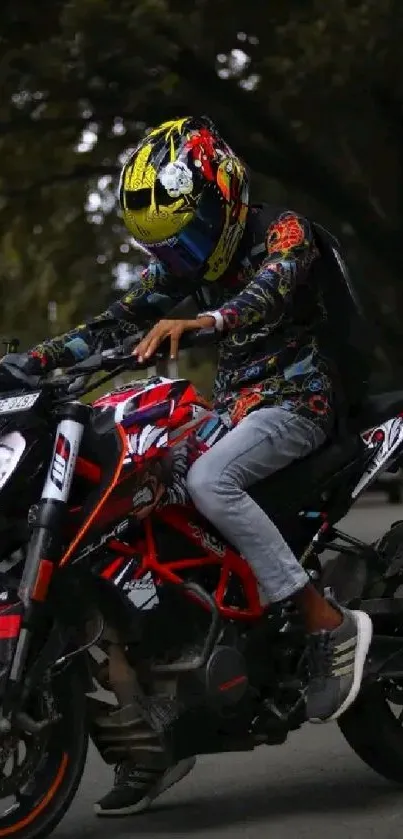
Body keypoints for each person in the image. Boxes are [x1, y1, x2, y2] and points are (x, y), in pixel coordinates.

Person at [0, 116, 373, 816]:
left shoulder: (282, 233)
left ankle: (323, 620)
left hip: (301, 397)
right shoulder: (184, 265)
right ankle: (157, 727)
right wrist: (29, 364)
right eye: (172, 248)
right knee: (135, 495)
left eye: (194, 237)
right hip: (237, 407)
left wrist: (202, 324)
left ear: (224, 198)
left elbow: (264, 293)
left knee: (207, 480)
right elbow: (110, 325)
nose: (188, 257)